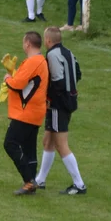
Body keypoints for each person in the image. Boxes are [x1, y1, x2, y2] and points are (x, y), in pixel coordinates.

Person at [35, 27, 87, 195]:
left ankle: (79, 184)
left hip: (58, 104)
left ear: (48, 41)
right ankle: (40, 180)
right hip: (69, 100)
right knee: (47, 141)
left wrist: (49, 99)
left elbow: (57, 80)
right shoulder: (68, 52)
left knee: (60, 144)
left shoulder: (51, 55)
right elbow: (77, 73)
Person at [2, 31, 49, 195]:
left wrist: (7, 79)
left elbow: (18, 84)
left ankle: (29, 181)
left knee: (10, 143)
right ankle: (31, 182)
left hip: (25, 112)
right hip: (35, 112)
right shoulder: (41, 61)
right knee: (29, 148)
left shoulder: (33, 62)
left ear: (28, 43)